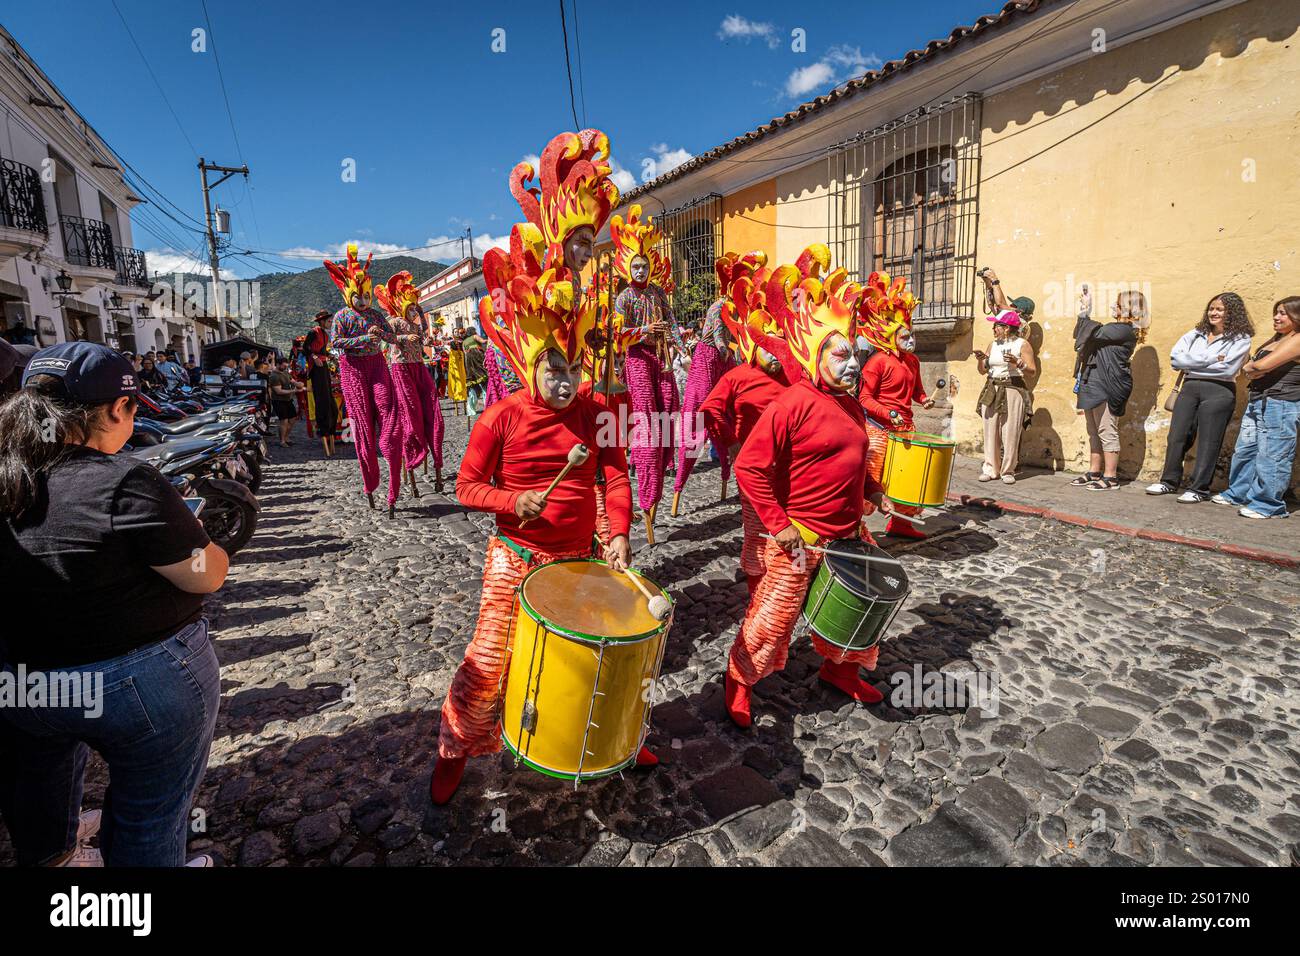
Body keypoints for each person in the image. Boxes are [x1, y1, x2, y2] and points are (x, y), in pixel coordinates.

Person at [431, 128, 636, 805]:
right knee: (487, 664)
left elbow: (613, 470)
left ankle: (591, 736)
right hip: (516, 555)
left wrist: (619, 531)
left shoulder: (593, 404)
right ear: (531, 359)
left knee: (587, 657)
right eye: (555, 365)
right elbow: (467, 486)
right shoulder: (502, 415)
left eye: (575, 365)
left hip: (577, 558)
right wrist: (509, 502)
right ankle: (457, 746)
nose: (566, 377)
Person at [0, 342, 227, 867]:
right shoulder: (123, 479)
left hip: (26, 683)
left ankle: (58, 859)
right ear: (115, 411)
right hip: (136, 683)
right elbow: (206, 575)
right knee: (149, 817)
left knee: (41, 786)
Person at [727, 255, 894, 727]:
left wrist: (874, 490)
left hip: (848, 535)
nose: (854, 365)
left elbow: (854, 455)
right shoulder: (792, 403)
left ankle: (840, 673)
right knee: (772, 623)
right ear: (816, 356)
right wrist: (778, 527)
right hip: (800, 539)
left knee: (858, 613)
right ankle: (738, 681)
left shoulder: (853, 406)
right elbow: (750, 467)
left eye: (855, 356)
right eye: (842, 356)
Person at [701, 255, 796, 596]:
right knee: (756, 526)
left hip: (789, 465)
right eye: (767, 346)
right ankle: (756, 580)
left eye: (778, 345)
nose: (775, 353)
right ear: (754, 347)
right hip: (753, 467)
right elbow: (709, 408)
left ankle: (784, 578)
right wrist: (730, 443)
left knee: (790, 525)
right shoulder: (738, 377)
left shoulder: (793, 378)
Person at [612, 204, 683, 543]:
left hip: (661, 359)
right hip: (638, 360)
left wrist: (676, 340)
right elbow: (617, 334)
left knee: (670, 412)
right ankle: (645, 478)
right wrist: (644, 332)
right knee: (646, 424)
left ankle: (662, 468)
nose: (640, 271)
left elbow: (671, 320)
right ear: (628, 268)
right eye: (635, 266)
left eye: (645, 266)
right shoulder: (624, 296)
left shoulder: (657, 292)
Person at [672, 253, 760, 516]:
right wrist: (727, 350)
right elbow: (719, 336)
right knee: (697, 416)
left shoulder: (737, 309)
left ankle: (729, 472)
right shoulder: (718, 307)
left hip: (724, 361)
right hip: (708, 360)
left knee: (727, 416)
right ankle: (678, 489)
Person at [1146, 293, 1254, 501]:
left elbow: (1227, 368)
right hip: (1189, 388)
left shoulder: (1241, 338)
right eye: (1211, 308)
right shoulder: (1195, 334)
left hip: (1220, 391)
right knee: (1177, 436)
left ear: (1232, 312)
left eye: (1219, 309)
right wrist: (1213, 358)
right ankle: (1169, 482)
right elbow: (1176, 360)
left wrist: (1193, 361)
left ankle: (1198, 489)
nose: (1213, 313)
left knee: (1209, 440)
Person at [325, 244, 403, 515]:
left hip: (377, 366)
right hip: (353, 370)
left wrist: (384, 334)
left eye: (366, 295)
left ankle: (392, 456)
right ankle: (370, 480)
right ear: (349, 294)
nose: (362, 300)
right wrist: (362, 338)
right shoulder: (342, 316)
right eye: (357, 296)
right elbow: (335, 343)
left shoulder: (375, 315)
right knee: (362, 425)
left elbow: (391, 338)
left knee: (388, 411)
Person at [857, 265, 932, 538]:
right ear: (891, 337)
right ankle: (856, 527)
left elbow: (917, 392)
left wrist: (924, 401)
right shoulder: (877, 362)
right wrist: (888, 413)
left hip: (905, 428)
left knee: (908, 480)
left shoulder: (912, 360)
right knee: (869, 481)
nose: (910, 340)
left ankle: (902, 523)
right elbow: (864, 398)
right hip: (878, 429)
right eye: (905, 336)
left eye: (911, 334)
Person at [1214, 296, 1300, 518]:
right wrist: (1254, 368)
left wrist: (1255, 367)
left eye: (1283, 313)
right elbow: (1248, 368)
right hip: (1258, 400)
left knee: (1274, 454)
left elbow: (1260, 365)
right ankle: (1239, 493)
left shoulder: (1298, 338)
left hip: (1281, 403)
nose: (1276, 317)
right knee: (1246, 449)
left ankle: (1267, 505)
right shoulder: (1277, 339)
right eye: (1276, 312)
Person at [375, 271, 446, 494]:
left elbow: (424, 332)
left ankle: (433, 455)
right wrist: (405, 338)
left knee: (431, 403)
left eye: (415, 308)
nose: (413, 310)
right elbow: (387, 337)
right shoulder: (394, 321)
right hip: (401, 368)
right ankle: (413, 456)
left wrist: (423, 314)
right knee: (410, 411)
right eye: (412, 308)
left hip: (418, 366)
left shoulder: (414, 323)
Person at [1071, 286, 1143, 490]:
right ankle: (1095, 470)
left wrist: (1086, 313)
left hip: (1107, 384)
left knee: (1106, 430)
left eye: (1118, 305)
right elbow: (1080, 334)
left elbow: (1092, 333)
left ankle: (1111, 476)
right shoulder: (1114, 329)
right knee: (1093, 431)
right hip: (1092, 381)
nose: (1113, 306)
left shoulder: (1124, 330)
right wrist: (1084, 311)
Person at [975, 309, 1037, 484]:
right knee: (990, 428)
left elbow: (1032, 371)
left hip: (1012, 387)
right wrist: (981, 360)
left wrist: (1017, 362)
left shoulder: (1022, 344)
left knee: (1010, 430)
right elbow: (982, 370)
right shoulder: (993, 344)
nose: (993, 329)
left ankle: (1008, 470)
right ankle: (990, 468)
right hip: (992, 387)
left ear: (1007, 328)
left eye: (996, 326)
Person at [305, 309, 339, 456]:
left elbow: (323, 351)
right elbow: (305, 348)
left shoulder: (325, 334)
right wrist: (314, 357)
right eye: (329, 321)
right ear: (322, 321)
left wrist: (331, 356)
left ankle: (330, 428)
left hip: (323, 365)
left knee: (330, 401)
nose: (331, 323)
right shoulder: (313, 332)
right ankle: (323, 429)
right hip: (316, 368)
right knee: (322, 399)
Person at [268, 356, 300, 447]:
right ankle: (282, 441)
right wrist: (293, 391)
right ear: (278, 365)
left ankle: (286, 437)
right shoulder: (274, 376)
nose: (285, 368)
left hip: (288, 400)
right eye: (283, 366)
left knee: (293, 419)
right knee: (284, 421)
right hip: (279, 401)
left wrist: (299, 384)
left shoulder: (285, 373)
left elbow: (293, 381)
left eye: (286, 366)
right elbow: (279, 391)